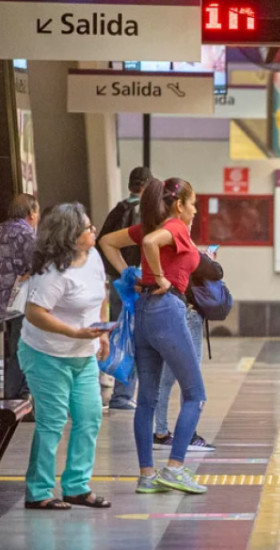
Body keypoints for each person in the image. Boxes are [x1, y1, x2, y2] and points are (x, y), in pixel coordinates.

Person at [98, 177, 208, 495]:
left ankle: (147, 475)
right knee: (195, 394)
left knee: (146, 398)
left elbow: (106, 242)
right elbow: (149, 245)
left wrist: (130, 274)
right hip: (167, 310)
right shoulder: (174, 227)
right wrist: (159, 277)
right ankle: (174, 468)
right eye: (193, 204)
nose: (196, 211)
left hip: (143, 312)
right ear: (179, 205)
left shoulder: (147, 225)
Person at [19, 203, 110, 510]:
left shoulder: (93, 256)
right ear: (70, 235)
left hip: (82, 354)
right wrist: (73, 333)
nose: (93, 230)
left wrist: (102, 332)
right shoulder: (53, 271)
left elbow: (102, 293)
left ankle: (76, 486)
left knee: (89, 416)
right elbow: (34, 313)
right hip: (46, 354)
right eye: (87, 228)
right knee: (52, 421)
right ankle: (39, 491)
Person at [152, 249, 222, 452]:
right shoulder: (184, 244)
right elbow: (216, 271)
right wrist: (207, 257)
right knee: (192, 378)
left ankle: (161, 432)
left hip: (167, 310)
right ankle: (188, 434)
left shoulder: (161, 247)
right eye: (190, 216)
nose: (192, 216)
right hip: (188, 313)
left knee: (166, 377)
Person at [99, 167, 152, 410]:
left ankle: (107, 380)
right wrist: (130, 273)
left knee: (117, 334)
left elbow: (102, 243)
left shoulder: (119, 209)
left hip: (118, 281)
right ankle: (122, 396)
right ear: (147, 185)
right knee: (132, 338)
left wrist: (117, 273)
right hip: (135, 282)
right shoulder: (146, 213)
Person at [1, 194, 38, 404]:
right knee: (22, 346)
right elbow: (37, 264)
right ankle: (19, 396)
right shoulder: (26, 235)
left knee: (9, 348)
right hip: (19, 300)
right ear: (31, 213)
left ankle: (9, 393)